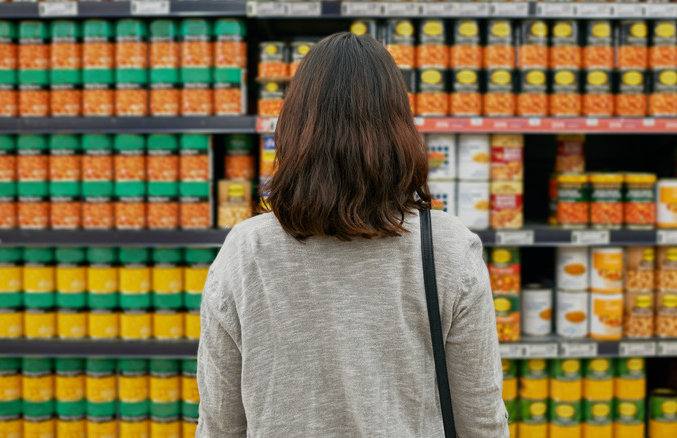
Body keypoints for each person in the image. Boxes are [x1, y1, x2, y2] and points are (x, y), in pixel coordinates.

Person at [197, 32, 508, 437]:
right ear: (400, 128)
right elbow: (481, 421)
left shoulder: (246, 250)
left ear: (292, 127)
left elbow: (220, 424)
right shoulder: (448, 248)